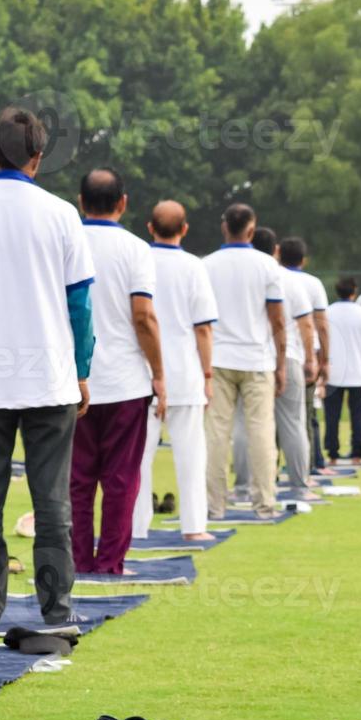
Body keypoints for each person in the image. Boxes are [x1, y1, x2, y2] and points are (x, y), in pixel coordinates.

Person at [0, 107, 95, 623]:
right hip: (50, 378)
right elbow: (80, 304)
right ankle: (57, 608)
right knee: (52, 503)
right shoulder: (61, 214)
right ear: (37, 159)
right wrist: (82, 369)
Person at [71, 168, 164, 576]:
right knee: (121, 479)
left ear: (80, 201)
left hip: (74, 380)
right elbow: (143, 317)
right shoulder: (134, 248)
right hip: (126, 381)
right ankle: (110, 563)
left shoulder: (66, 239)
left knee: (77, 481)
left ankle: (77, 561)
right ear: (123, 203)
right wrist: (159, 372)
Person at [131, 201, 218, 543]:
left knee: (139, 457)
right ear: (185, 229)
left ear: (150, 227)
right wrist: (208, 375)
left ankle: (136, 528)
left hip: (143, 372)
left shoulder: (139, 259)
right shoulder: (193, 267)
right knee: (191, 454)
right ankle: (194, 526)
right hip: (184, 373)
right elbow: (203, 329)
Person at [203, 204, 286, 521]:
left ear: (225, 227)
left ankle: (215, 506)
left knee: (216, 434)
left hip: (218, 358)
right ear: (251, 230)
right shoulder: (268, 265)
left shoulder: (207, 265)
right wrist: (281, 364)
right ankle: (264, 504)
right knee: (261, 433)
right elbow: (277, 320)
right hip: (257, 359)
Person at [258, 228, 318, 499]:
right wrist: (312, 358)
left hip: (252, 358)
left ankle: (248, 486)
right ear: (277, 250)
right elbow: (306, 323)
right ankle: (298, 485)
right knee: (293, 424)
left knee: (250, 426)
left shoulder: (240, 276)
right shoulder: (290, 280)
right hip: (289, 356)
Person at [278, 238, 330, 473]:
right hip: (301, 355)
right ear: (304, 259)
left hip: (272, 354)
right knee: (304, 416)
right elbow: (320, 325)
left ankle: (270, 471)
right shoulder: (312, 284)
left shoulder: (273, 277)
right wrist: (323, 359)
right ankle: (305, 470)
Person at [324, 278, 361, 464]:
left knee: (331, 417)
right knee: (359, 416)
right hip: (359, 374)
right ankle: (357, 454)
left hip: (333, 373)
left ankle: (332, 455)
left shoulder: (328, 312)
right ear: (354, 291)